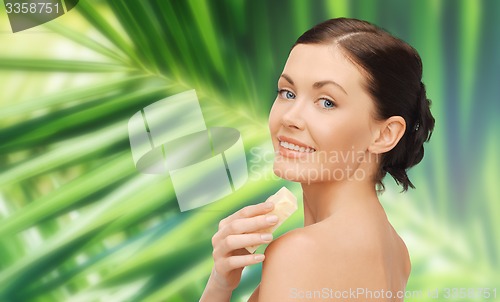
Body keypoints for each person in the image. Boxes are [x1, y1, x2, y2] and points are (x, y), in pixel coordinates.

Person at [200, 17, 435, 301]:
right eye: (287, 93)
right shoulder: (395, 251)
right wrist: (220, 284)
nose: (290, 118)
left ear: (385, 134)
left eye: (327, 102)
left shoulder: (300, 253)